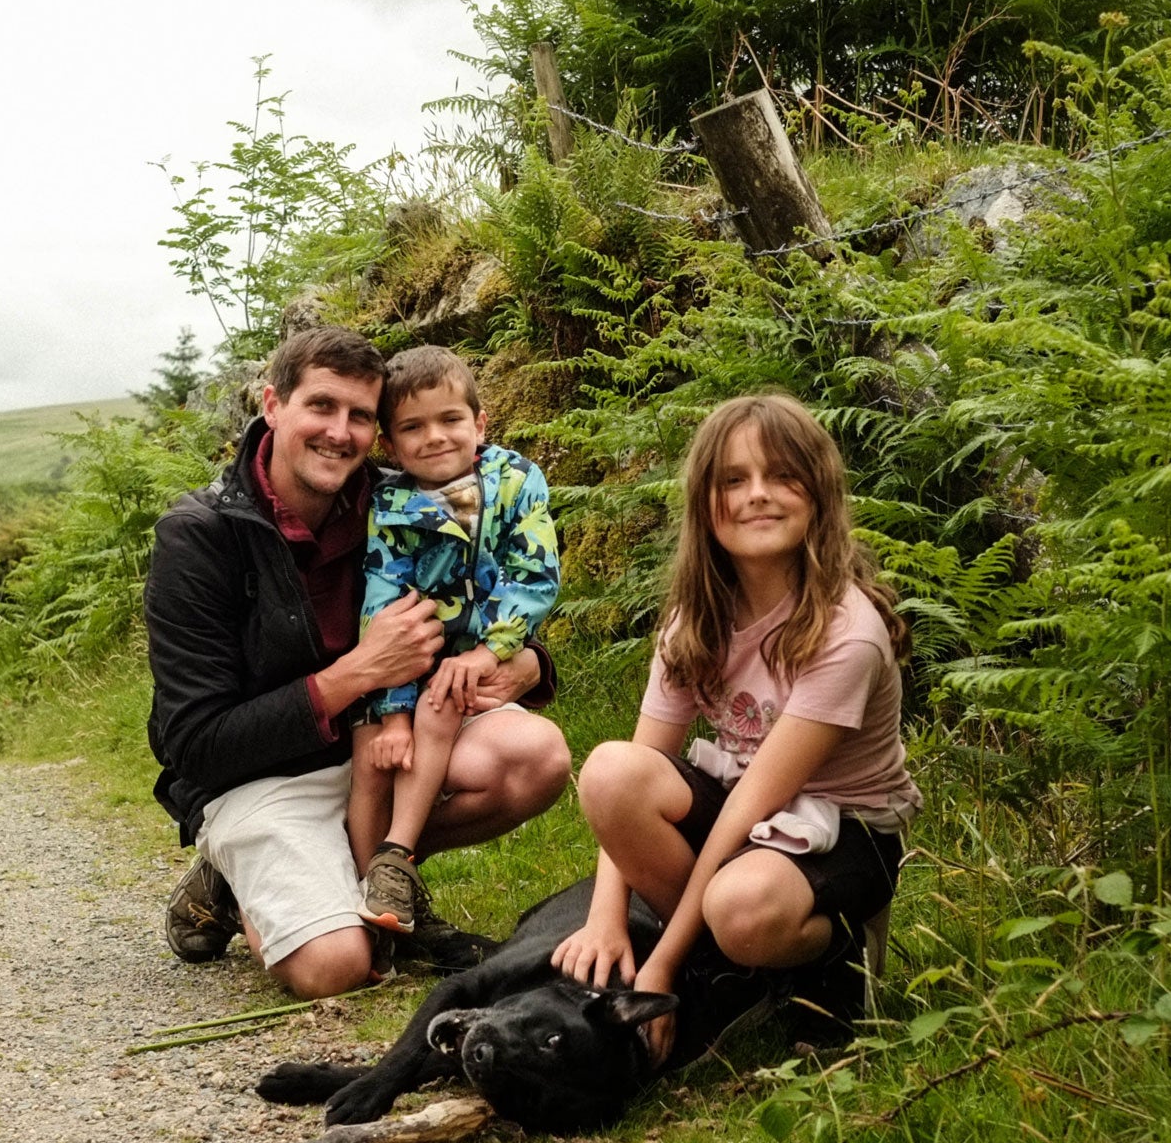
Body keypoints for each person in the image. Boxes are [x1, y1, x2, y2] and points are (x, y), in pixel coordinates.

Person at [143, 326, 572, 999]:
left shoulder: (397, 495)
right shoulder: (199, 537)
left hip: (386, 744)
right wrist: (359, 673)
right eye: (321, 405)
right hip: (264, 776)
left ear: (379, 432)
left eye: (360, 416)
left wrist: (527, 664)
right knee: (334, 967)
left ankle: (378, 879)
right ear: (273, 405)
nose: (339, 432)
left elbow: (477, 587)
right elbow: (193, 743)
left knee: (535, 756)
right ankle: (241, 878)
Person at [549, 393, 922, 1056]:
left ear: (819, 494)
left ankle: (835, 959)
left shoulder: (848, 630)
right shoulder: (695, 621)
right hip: (751, 816)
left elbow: (752, 802)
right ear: (705, 503)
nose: (758, 495)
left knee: (740, 906)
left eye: (782, 475)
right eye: (734, 479)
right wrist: (604, 917)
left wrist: (660, 964)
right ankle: (730, 964)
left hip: (848, 830)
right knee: (610, 773)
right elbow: (640, 766)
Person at [348, 347, 561, 945]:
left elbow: (535, 574)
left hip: (471, 664)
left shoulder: (517, 481)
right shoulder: (391, 507)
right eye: (412, 427)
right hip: (404, 663)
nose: (434, 437)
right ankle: (374, 903)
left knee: (444, 702)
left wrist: (491, 651)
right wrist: (391, 711)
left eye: (450, 420)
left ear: (481, 424)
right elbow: (382, 602)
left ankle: (394, 861)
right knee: (375, 764)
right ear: (390, 445)